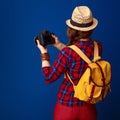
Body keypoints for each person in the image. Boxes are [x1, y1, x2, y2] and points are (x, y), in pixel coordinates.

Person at [36, 6, 102, 120]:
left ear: (72, 29)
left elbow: (48, 77)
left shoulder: (67, 53)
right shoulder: (97, 46)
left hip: (67, 106)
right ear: (91, 28)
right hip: (89, 106)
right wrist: (59, 45)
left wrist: (43, 52)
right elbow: (79, 56)